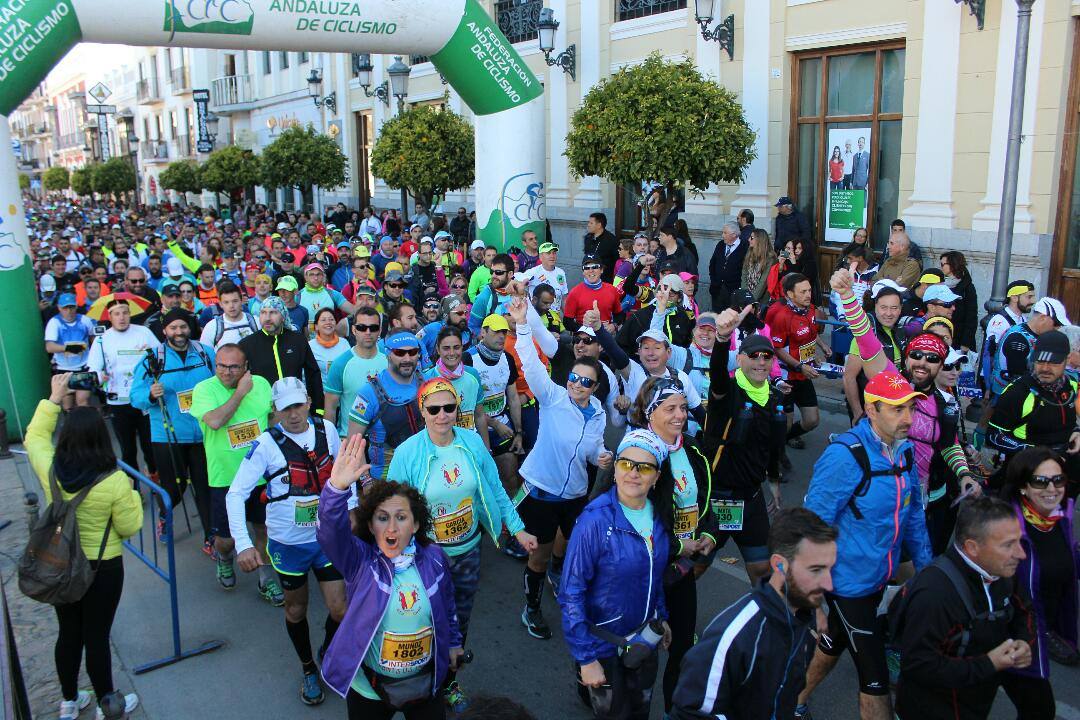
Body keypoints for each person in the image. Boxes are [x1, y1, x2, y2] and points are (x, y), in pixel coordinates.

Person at [388, 378, 538, 711]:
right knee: (424, 620)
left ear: (458, 408)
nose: (442, 415)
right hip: (426, 558)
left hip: (468, 551)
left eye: (449, 407)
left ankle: (450, 682)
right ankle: (423, 683)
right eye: (434, 409)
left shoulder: (471, 441)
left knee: (460, 623)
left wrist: (517, 529)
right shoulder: (407, 453)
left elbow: (496, 489)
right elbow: (393, 511)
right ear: (422, 411)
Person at [799, 370, 933, 720]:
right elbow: (813, 527)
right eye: (896, 409)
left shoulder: (904, 452)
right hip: (847, 585)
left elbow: (914, 515)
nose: (908, 418)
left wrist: (927, 568)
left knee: (835, 641)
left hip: (880, 578)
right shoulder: (845, 456)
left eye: (910, 408)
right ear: (872, 410)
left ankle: (792, 700)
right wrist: (814, 598)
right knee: (875, 677)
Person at [317, 440, 464, 719]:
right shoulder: (360, 561)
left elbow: (448, 605)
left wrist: (454, 642)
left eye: (401, 517)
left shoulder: (434, 557)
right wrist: (336, 489)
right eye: (382, 518)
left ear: (417, 524)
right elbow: (330, 534)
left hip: (424, 683)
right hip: (370, 690)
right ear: (371, 526)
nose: (392, 527)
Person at [28, 373, 142, 720]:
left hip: (61, 563)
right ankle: (107, 700)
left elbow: (34, 436)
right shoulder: (115, 480)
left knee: (69, 633)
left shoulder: (52, 469)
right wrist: (132, 499)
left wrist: (53, 396)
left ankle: (68, 700)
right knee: (97, 635)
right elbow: (130, 526)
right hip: (102, 566)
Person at [228, 377, 347, 707]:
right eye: (285, 409)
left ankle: (328, 649)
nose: (293, 414)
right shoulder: (265, 445)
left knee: (340, 609)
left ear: (309, 401)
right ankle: (308, 668)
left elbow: (341, 474)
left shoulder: (327, 430)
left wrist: (349, 513)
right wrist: (243, 543)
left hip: (326, 538)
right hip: (287, 545)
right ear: (275, 411)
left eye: (297, 405)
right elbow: (235, 494)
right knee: (296, 608)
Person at [506, 297, 612, 642]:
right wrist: (523, 323)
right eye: (574, 378)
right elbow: (531, 364)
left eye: (585, 382)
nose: (577, 384)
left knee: (569, 552)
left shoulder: (597, 411)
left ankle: (560, 580)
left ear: (595, 388)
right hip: (542, 492)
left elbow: (591, 446)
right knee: (537, 558)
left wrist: (601, 454)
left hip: (576, 494)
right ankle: (531, 608)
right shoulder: (552, 397)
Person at [669, 508, 837, 720]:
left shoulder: (803, 622)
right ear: (779, 565)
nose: (829, 584)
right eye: (816, 570)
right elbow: (690, 713)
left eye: (830, 569)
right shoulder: (734, 636)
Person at [559, 428, 671, 720]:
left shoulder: (659, 515)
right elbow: (571, 593)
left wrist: (661, 616)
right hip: (603, 647)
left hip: (644, 641)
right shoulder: (594, 521)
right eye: (625, 463)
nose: (633, 473)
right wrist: (586, 659)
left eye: (644, 467)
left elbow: (654, 574)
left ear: (657, 476)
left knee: (640, 711)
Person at [894, 496, 1035, 720]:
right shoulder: (934, 594)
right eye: (1008, 545)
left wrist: (1024, 642)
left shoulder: (1003, 569)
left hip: (975, 704)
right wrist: (989, 664)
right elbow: (917, 665)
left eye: (1019, 541)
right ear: (972, 547)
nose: (1021, 554)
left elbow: (1024, 612)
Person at [627, 377, 716, 711]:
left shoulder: (693, 449)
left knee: (681, 647)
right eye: (670, 409)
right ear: (651, 413)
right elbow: (631, 521)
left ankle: (671, 711)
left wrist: (709, 534)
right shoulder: (638, 456)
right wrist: (680, 547)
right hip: (645, 573)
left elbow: (707, 501)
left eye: (682, 407)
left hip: (680, 573)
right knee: (639, 653)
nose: (680, 415)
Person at [189, 343, 279, 600]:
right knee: (227, 538)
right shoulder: (204, 389)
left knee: (263, 530)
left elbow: (270, 418)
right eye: (221, 366)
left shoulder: (260, 384)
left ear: (246, 367)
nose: (226, 372)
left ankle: (265, 579)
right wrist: (239, 393)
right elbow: (215, 421)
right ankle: (225, 557)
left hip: (262, 476)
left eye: (233, 367)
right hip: (225, 478)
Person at [999, 447, 1076, 716]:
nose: (1051, 489)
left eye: (1058, 480)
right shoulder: (1004, 525)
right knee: (1040, 710)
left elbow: (1063, 563)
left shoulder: (1059, 518)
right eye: (1040, 481)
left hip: (1038, 635)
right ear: (1022, 487)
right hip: (1007, 641)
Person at [130, 309, 215, 549]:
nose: (179, 332)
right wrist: (149, 393)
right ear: (165, 330)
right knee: (174, 489)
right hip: (168, 436)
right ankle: (165, 517)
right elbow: (135, 396)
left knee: (205, 488)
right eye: (173, 328)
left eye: (183, 327)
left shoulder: (205, 352)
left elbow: (221, 382)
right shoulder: (151, 359)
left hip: (203, 433)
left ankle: (211, 538)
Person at [987, 330, 1080, 483]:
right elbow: (994, 435)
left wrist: (1077, 431)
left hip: (1066, 472)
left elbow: (1066, 420)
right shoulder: (1018, 392)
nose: (1045, 368)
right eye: (1040, 361)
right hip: (1028, 475)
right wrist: (1033, 452)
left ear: (1067, 359)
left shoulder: (1071, 385)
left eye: (1053, 362)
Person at [87, 300, 160, 478]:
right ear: (109, 317)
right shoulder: (102, 340)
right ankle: (132, 487)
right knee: (127, 449)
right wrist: (99, 376)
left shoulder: (143, 332)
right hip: (118, 400)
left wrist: (151, 353)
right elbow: (93, 370)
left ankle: (155, 479)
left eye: (125, 312)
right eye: (117, 314)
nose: (122, 317)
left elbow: (161, 357)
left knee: (150, 445)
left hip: (144, 399)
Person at [347, 330, 424, 480]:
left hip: (424, 474)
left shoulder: (427, 382)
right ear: (388, 354)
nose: (407, 358)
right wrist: (366, 481)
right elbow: (353, 442)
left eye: (412, 352)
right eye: (399, 353)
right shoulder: (369, 392)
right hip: (386, 480)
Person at [238, 297, 325, 413]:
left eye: (273, 312)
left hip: (295, 409)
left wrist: (318, 409)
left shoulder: (297, 340)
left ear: (283, 316)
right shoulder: (247, 344)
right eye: (263, 313)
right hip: (263, 412)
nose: (267, 318)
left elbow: (313, 375)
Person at [766, 273, 821, 450]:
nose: (808, 295)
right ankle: (776, 460)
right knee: (785, 423)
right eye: (803, 291)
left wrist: (819, 349)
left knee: (812, 421)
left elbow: (810, 332)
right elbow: (777, 348)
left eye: (809, 290)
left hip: (804, 374)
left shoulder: (811, 309)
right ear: (790, 294)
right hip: (786, 376)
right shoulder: (781, 316)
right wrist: (799, 365)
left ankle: (784, 440)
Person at [842, 281, 904, 422]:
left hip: (891, 406)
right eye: (883, 308)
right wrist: (857, 412)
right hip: (870, 411)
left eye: (894, 308)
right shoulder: (867, 336)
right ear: (875, 306)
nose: (889, 313)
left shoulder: (900, 331)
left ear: (900, 309)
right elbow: (848, 377)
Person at [325, 306, 388, 438]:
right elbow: (330, 410)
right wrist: (331, 444)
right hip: (351, 440)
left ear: (380, 331)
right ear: (353, 330)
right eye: (362, 327)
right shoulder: (340, 364)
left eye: (373, 328)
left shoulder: (390, 359)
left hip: (385, 441)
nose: (368, 332)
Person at [990, 296, 1071, 399]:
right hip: (1007, 397)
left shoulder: (1033, 333)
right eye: (1056, 324)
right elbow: (1018, 375)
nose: (1058, 328)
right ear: (1042, 318)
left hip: (1026, 394)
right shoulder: (1018, 338)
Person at [44, 292, 96, 408]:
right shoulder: (54, 323)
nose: (69, 311)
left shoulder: (85, 320)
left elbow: (94, 338)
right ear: (59, 308)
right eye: (65, 308)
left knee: (82, 402)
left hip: (84, 367)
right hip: (64, 369)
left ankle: (87, 424)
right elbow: (49, 347)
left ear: (76, 306)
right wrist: (69, 348)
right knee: (67, 406)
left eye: (71, 307)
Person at [562, 254, 623, 330]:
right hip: (585, 339)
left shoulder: (612, 290)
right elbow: (567, 322)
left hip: (607, 337)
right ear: (583, 272)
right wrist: (585, 330)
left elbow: (620, 315)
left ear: (601, 270)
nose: (591, 271)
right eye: (587, 268)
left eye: (595, 267)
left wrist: (614, 326)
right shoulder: (574, 292)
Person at [200, 282, 260, 350]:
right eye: (226, 302)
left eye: (235, 301)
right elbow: (206, 355)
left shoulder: (257, 322)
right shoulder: (212, 327)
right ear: (220, 304)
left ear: (241, 301)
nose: (231, 306)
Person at [939, 251, 977, 352]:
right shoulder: (941, 284)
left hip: (960, 337)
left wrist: (966, 343)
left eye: (944, 264)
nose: (941, 267)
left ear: (953, 264)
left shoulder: (967, 288)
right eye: (940, 264)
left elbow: (971, 317)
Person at [709, 222, 748, 312]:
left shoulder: (745, 246)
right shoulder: (720, 245)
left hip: (734, 291)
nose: (722, 235)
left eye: (725, 233)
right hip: (717, 290)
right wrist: (714, 280)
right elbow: (712, 264)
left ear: (734, 234)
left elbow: (745, 269)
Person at [308, 307, 350, 384]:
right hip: (320, 391)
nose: (328, 322)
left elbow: (350, 369)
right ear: (316, 326)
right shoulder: (310, 346)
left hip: (342, 389)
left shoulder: (344, 343)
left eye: (331, 319)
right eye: (323, 320)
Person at [739, 228, 777, 305]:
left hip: (761, 300)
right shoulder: (749, 254)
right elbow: (744, 275)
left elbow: (763, 283)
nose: (749, 239)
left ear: (760, 240)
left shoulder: (770, 259)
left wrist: (751, 300)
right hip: (747, 297)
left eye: (752, 238)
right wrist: (745, 294)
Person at [584, 212, 619, 284]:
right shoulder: (588, 238)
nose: (588, 225)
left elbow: (616, 260)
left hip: (605, 279)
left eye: (591, 223)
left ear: (599, 225)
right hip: (589, 277)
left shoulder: (611, 240)